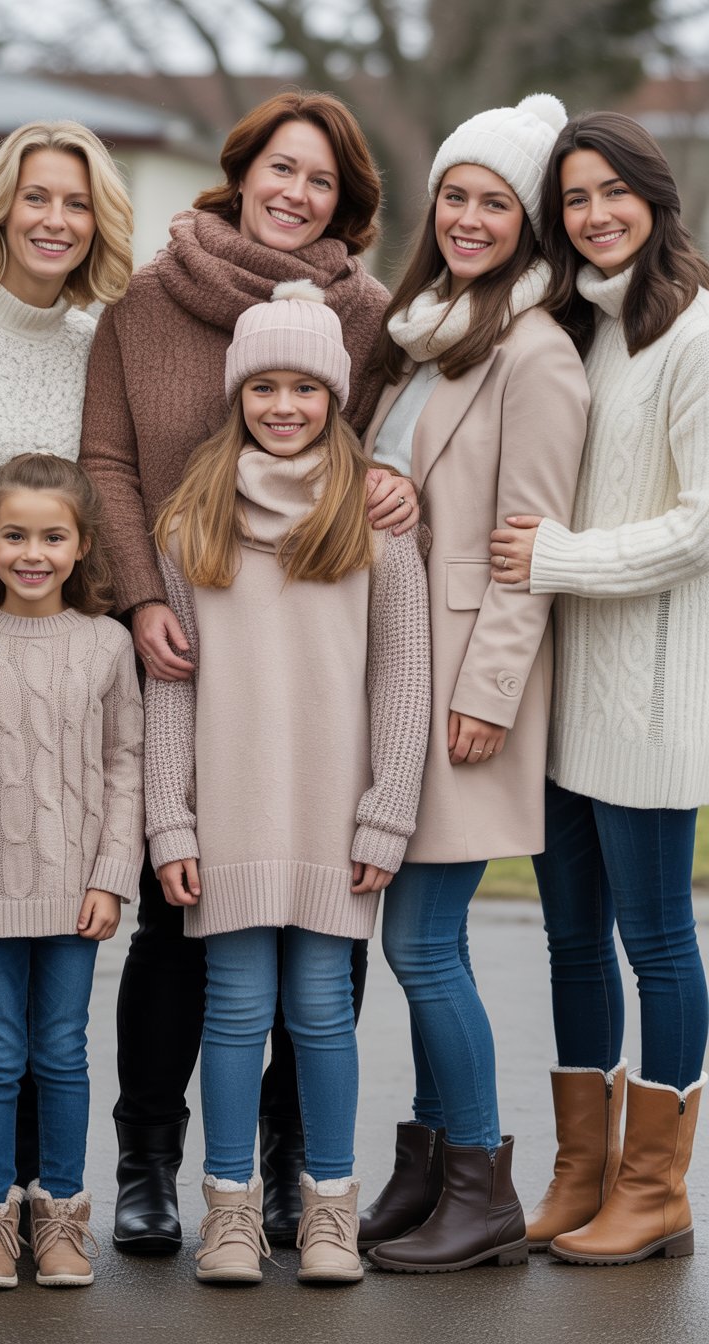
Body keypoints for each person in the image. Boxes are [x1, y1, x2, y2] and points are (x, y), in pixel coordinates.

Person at [79, 89, 420, 1253]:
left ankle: (291, 1177)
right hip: (184, 632)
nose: (297, 192)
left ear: (347, 202)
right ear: (243, 171)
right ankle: (152, 1162)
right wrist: (137, 598)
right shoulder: (149, 298)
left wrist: (397, 490)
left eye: (322, 180)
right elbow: (108, 460)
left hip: (315, 646)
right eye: (282, 167)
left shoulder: (368, 313)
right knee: (180, 945)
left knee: (319, 978)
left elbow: (376, 447)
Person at [143, 280, 430, 1284]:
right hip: (227, 810)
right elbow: (171, 691)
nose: (282, 406)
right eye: (261, 386)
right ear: (237, 397)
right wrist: (170, 825)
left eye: (304, 388)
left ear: (336, 397)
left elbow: (403, 677)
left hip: (331, 810)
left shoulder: (376, 525)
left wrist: (388, 811)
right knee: (231, 1009)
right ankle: (229, 1213)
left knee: (318, 1009)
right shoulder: (191, 525)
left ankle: (326, 1214)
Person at [357, 95, 589, 1274]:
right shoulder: (424, 325)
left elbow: (528, 543)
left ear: (530, 221)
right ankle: (433, 1160)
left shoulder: (537, 352)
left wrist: (490, 692)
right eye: (455, 193)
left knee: (424, 945)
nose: (468, 216)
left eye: (496, 201)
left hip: (460, 682)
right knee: (415, 942)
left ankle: (481, 1180)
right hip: (394, 667)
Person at [490, 110, 709, 1266]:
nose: (595, 214)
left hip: (650, 703)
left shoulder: (696, 334)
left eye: (613, 191)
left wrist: (557, 559)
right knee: (572, 942)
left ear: (653, 197)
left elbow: (702, 524)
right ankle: (582, 1173)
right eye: (573, 198)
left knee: (657, 942)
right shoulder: (579, 333)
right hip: (565, 696)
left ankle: (656, 1185)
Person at [0, 119, 133, 1244]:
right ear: (1, 203)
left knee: (11, 1008)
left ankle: (0, 1200)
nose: (53, 220)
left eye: (75, 202)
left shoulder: (94, 340)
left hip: (46, 655)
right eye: (35, 198)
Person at [0, 453, 144, 1289]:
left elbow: (126, 765)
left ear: (82, 543)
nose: (33, 552)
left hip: (73, 892)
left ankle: (60, 1216)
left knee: (62, 1053)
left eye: (52, 536)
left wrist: (112, 875)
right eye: (14, 535)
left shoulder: (106, 645)